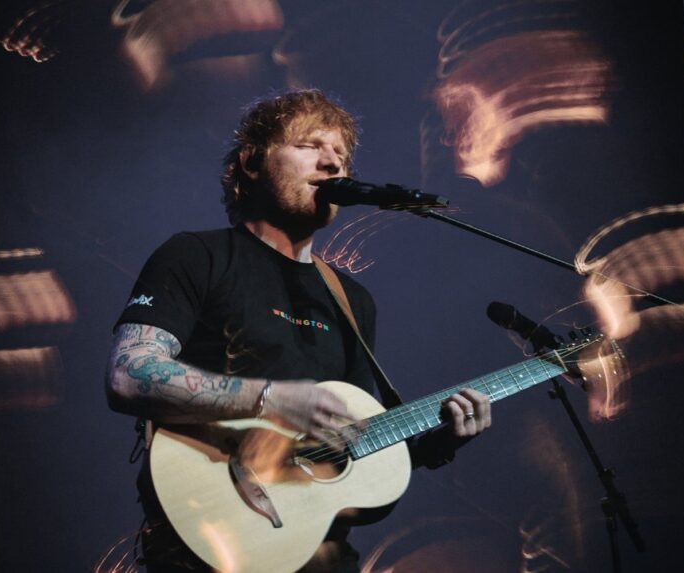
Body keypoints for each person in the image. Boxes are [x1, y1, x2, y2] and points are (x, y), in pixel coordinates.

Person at [105, 89, 492, 572]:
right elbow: (129, 374)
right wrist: (271, 400)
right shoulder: (196, 257)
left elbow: (345, 445)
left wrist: (438, 445)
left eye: (341, 156)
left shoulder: (352, 300)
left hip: (320, 553)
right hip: (207, 546)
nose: (332, 164)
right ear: (251, 162)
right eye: (310, 145)